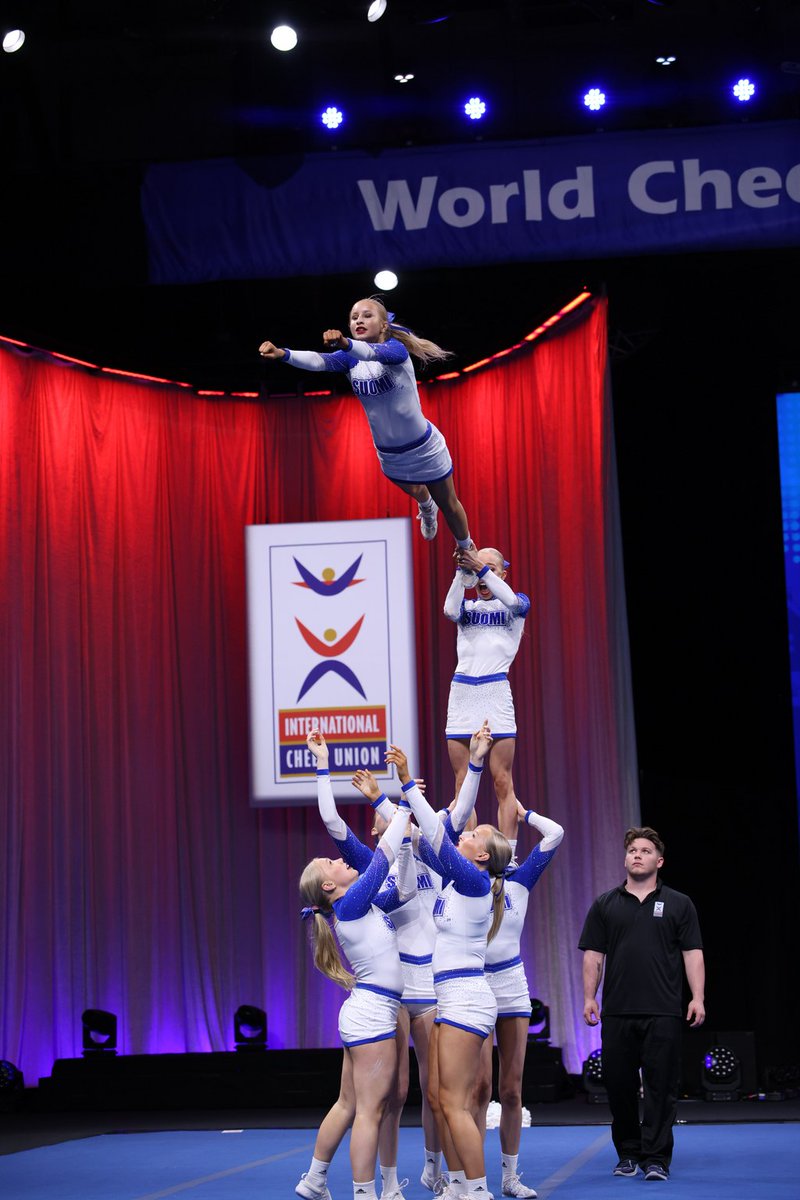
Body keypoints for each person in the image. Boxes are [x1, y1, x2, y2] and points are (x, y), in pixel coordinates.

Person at [387, 732, 511, 1200]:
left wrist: (407, 783)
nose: (467, 834)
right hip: (449, 997)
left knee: (457, 1106)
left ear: (481, 856)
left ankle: (478, 1191)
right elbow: (438, 829)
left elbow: (441, 828)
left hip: (464, 999)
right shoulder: (456, 882)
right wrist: (475, 764)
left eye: (475, 836)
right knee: (439, 1100)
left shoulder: (475, 884)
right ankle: (458, 1184)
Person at [296, 730, 414, 1200]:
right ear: (330, 887)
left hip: (366, 1011)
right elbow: (384, 855)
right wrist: (403, 800)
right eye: (332, 863)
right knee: (369, 1110)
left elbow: (401, 887)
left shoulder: (361, 905)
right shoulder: (350, 904)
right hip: (372, 1014)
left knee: (348, 1104)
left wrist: (324, 766)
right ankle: (364, 1193)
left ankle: (314, 1179)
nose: (339, 861)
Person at [258, 297, 474, 549]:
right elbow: (318, 361)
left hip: (423, 447)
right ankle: (426, 506)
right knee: (417, 491)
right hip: (389, 452)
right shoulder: (350, 359)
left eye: (367, 315)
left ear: (383, 325)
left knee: (448, 502)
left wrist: (344, 343)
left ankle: (467, 549)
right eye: (353, 317)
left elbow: (371, 353)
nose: (358, 319)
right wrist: (283, 353)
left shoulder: (396, 350)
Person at [578, 826, 705, 1183]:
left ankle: (656, 1158)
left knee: (661, 1087)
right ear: (625, 858)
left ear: (659, 861)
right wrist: (589, 997)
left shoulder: (679, 903)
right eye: (632, 850)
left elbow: (692, 953)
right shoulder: (605, 903)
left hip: (663, 1010)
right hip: (617, 1011)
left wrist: (698, 997)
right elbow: (593, 954)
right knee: (618, 1086)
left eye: (646, 850)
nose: (637, 854)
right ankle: (628, 1154)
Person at [473, 800, 564, 1200]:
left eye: (481, 833)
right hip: (472, 984)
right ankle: (469, 1179)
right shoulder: (463, 880)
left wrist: (526, 814)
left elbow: (556, 833)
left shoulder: (521, 881)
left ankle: (509, 1176)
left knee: (510, 1090)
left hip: (510, 983)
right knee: (477, 1089)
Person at [444, 546, 531, 849]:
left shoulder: (515, 604)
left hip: (495, 692)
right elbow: (449, 610)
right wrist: (461, 572)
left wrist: (479, 568)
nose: (484, 574)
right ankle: (467, 851)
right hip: (463, 693)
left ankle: (508, 856)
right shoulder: (466, 609)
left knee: (502, 781)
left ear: (503, 574)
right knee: (463, 781)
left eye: (491, 568)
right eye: (479, 568)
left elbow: (509, 598)